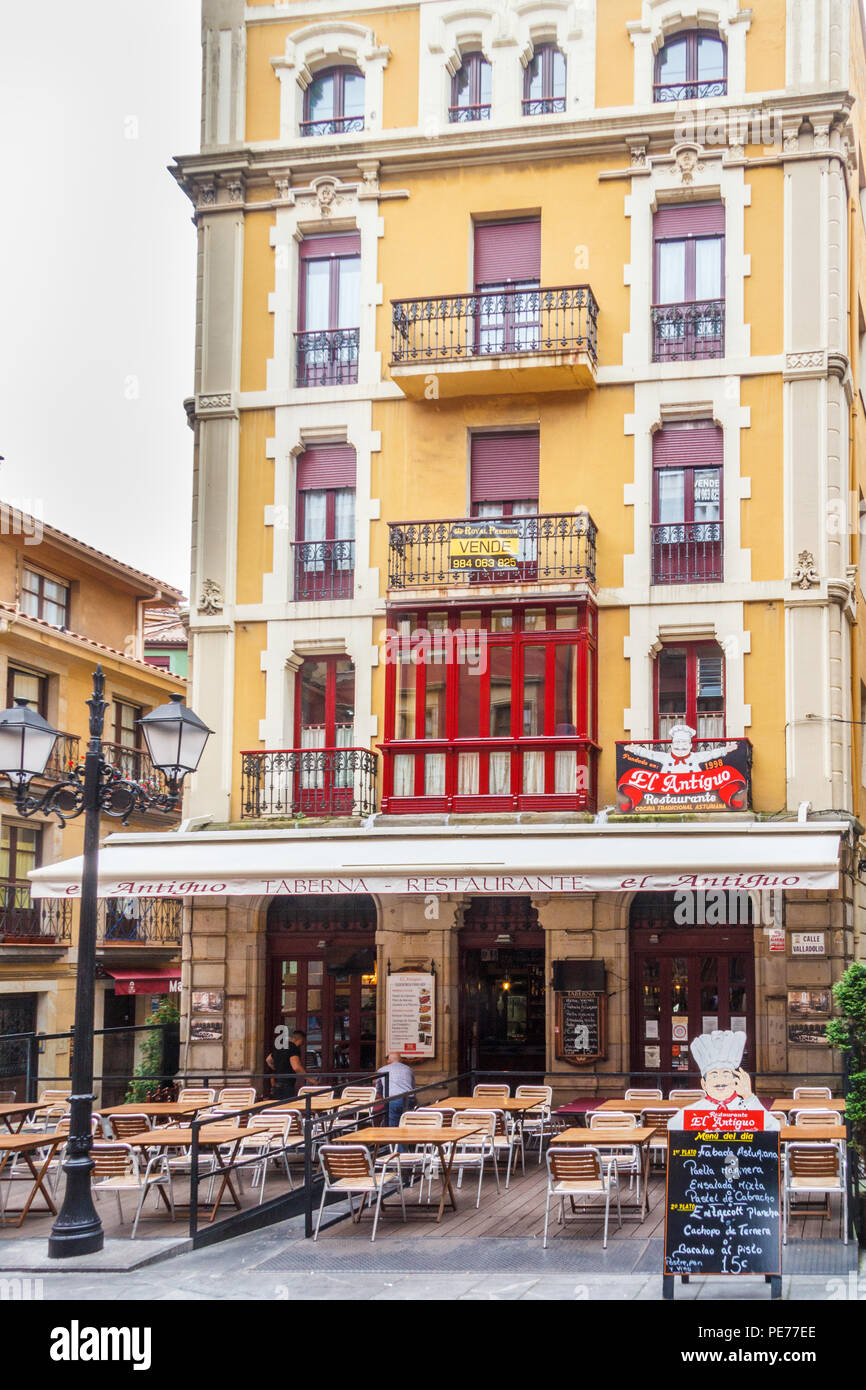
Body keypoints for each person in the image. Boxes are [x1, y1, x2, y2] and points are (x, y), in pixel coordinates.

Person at [668, 1029, 779, 1129]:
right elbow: (672, 1128)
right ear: (704, 1084)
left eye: (726, 1074)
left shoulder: (748, 1107)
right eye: (714, 1075)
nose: (720, 1081)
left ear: (736, 1080)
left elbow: (773, 1128)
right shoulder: (692, 1112)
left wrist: (748, 1097)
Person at [266, 1027, 307, 1100]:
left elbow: (268, 1060)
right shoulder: (294, 1048)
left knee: (278, 1107)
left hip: (276, 1084)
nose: (302, 1044)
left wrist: (276, 1068)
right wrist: (311, 1079)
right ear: (301, 1040)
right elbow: (296, 1067)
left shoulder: (281, 1047)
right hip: (287, 1085)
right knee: (287, 1105)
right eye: (302, 1042)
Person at [377, 1052, 415, 1126]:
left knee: (393, 1124)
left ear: (388, 1061)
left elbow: (378, 1089)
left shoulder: (382, 1070)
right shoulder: (409, 1069)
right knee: (408, 1123)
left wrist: (382, 1098)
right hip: (409, 1099)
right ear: (401, 1060)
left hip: (393, 1100)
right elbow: (413, 1087)